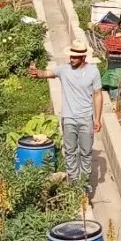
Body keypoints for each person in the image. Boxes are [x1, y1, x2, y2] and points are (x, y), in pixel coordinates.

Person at [28, 39, 103, 196]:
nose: (71, 59)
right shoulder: (64, 70)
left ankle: (84, 183)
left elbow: (97, 95)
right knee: (70, 151)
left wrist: (97, 118)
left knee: (86, 152)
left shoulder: (93, 72)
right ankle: (73, 183)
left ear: (83, 57)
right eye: (70, 56)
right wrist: (36, 72)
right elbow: (47, 73)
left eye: (74, 57)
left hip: (85, 119)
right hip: (68, 118)